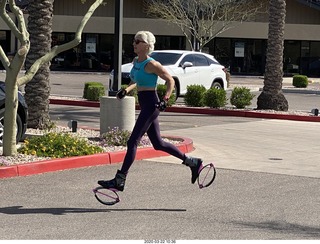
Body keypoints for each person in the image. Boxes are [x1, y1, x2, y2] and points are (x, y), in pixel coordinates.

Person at [98, 31, 203, 192]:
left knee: (132, 142)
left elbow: (170, 80)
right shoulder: (136, 62)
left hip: (152, 105)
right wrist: (126, 90)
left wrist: (165, 99)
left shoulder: (152, 64)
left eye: (138, 41)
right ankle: (192, 162)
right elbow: (136, 80)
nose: (134, 44)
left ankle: (119, 179)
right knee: (158, 143)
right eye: (134, 41)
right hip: (144, 103)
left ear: (146, 45)